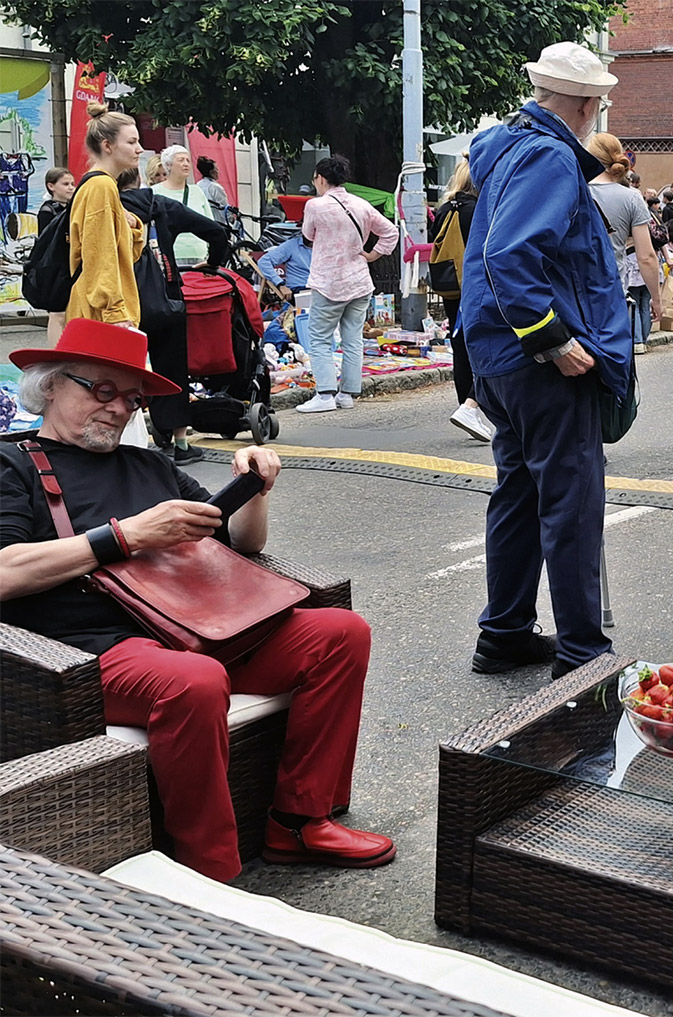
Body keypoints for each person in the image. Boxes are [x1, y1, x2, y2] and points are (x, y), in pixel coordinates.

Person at [0, 319, 395, 884]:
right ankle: (210, 871)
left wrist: (255, 489)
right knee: (195, 680)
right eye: (101, 390)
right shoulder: (12, 465)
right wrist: (126, 535)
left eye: (132, 399)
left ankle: (300, 821)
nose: (117, 409)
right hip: (87, 651)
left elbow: (242, 545)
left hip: (194, 624)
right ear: (50, 386)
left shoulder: (150, 465)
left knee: (339, 634)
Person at [459, 42, 632, 677]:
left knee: (520, 494)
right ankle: (584, 654)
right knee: (570, 502)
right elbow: (511, 255)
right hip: (536, 360)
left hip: (500, 359)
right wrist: (552, 339)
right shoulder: (552, 156)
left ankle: (504, 634)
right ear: (589, 103)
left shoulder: (509, 147)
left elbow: (500, 254)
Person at [118, 168, 231, 465]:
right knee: (173, 368)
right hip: (168, 299)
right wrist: (212, 263)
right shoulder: (162, 206)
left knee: (124, 371)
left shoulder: (109, 208)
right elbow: (217, 232)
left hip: (123, 304)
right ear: (140, 180)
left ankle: (129, 441)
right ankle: (180, 443)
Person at [295, 154, 399, 414]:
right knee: (353, 339)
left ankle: (325, 393)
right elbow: (391, 231)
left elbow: (307, 235)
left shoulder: (315, 206)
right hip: (360, 280)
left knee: (319, 338)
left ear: (320, 178)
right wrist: (374, 254)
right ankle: (347, 394)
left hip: (329, 281)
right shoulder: (361, 204)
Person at [66, 103, 144, 330]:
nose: (139, 149)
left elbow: (123, 254)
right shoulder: (101, 186)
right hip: (101, 315)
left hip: (97, 310)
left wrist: (131, 226)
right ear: (107, 145)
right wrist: (115, 312)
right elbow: (100, 255)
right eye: (131, 142)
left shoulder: (100, 184)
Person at [429, 159, 491, 442]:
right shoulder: (479, 209)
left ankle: (466, 408)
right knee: (488, 344)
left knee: (460, 345)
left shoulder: (443, 210)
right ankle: (473, 404)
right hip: (477, 284)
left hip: (452, 286)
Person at [586, 132, 662, 357]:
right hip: (613, 294)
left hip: (576, 296)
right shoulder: (632, 198)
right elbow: (646, 256)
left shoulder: (576, 191)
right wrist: (656, 299)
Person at [151, 147, 221, 265]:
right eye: (181, 160)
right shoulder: (154, 192)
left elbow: (210, 223)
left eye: (188, 160)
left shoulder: (197, 191)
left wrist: (211, 257)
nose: (186, 164)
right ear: (168, 165)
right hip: (167, 259)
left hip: (199, 257)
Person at [37, 168, 75, 343]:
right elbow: (46, 243)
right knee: (57, 313)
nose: (70, 188)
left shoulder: (70, 209)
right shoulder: (47, 211)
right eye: (65, 184)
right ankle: (55, 353)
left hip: (69, 265)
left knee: (69, 313)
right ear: (51, 186)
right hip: (55, 268)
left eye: (72, 184)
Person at [258, 230, 312, 296]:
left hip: (321, 289)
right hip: (300, 289)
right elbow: (264, 262)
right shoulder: (292, 245)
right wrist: (280, 283)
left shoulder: (325, 246)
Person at [195, 155, 230, 224]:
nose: (218, 171)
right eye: (217, 169)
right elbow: (225, 210)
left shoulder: (198, 185)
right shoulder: (215, 187)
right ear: (212, 172)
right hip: (217, 224)